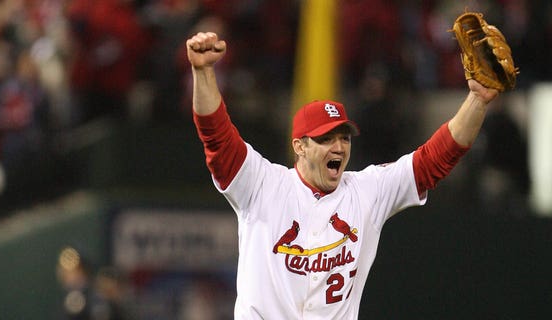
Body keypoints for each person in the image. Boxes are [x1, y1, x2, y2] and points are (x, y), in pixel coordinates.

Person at [186, 32, 498, 319]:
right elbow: (217, 136)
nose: (338, 147)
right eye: (325, 138)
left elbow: (434, 160)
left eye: (344, 137)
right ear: (300, 146)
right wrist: (203, 73)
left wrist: (478, 100)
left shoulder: (367, 190)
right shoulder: (262, 184)